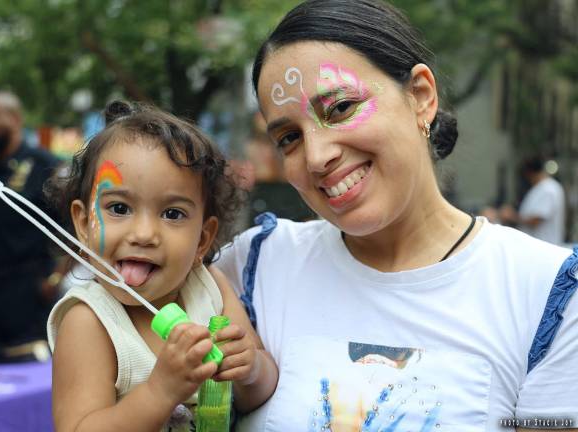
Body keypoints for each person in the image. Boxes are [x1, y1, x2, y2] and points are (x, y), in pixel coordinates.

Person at [213, 1, 578, 430]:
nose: (316, 157)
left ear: (421, 96)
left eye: (341, 108)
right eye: (290, 137)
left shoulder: (547, 296)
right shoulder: (254, 268)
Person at [44, 101, 278, 431]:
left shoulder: (208, 288)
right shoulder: (89, 322)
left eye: (172, 214)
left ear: (202, 239)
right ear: (83, 223)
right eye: (119, 208)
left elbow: (258, 393)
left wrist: (252, 369)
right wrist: (161, 390)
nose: (143, 234)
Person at [0, 91, 63, 360]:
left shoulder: (44, 166)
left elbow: (77, 228)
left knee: (27, 378)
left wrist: (54, 280)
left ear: (16, 119)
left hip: (27, 293)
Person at [499, 155, 566, 245]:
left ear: (529, 173)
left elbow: (536, 221)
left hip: (544, 247)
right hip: (537, 246)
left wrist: (511, 216)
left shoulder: (548, 188)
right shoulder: (539, 188)